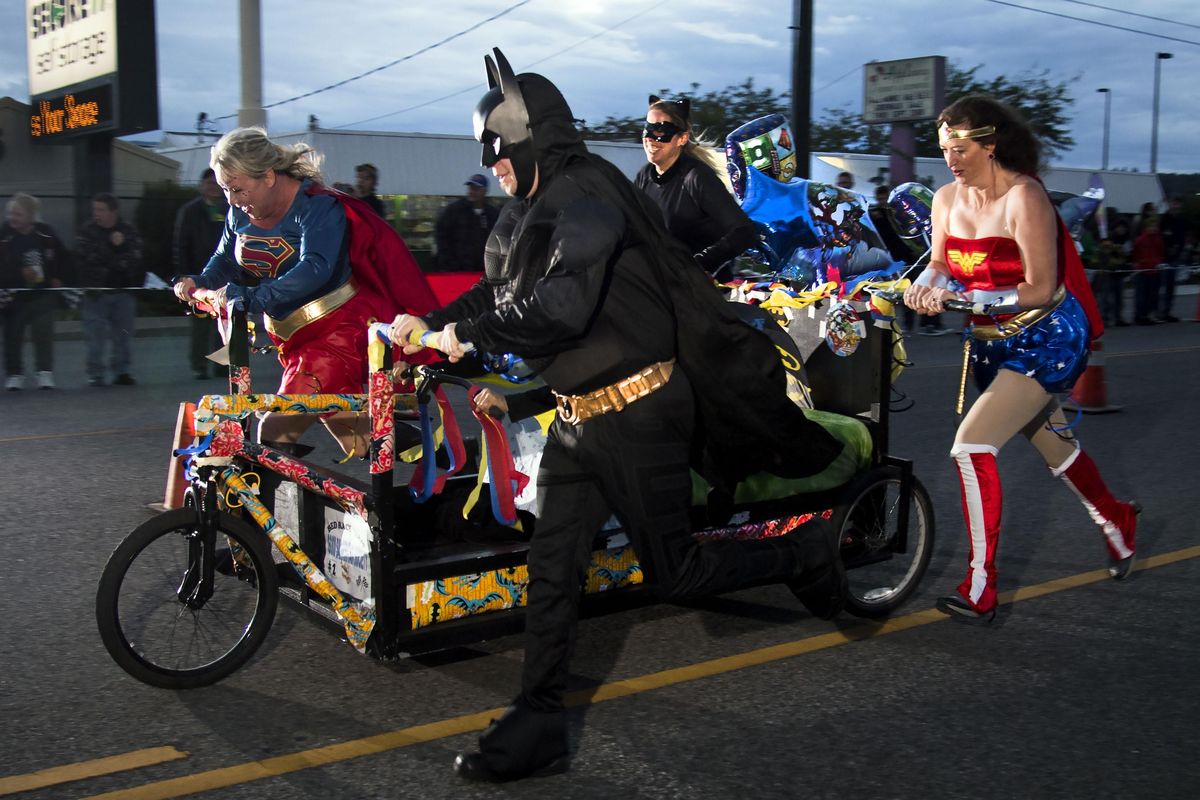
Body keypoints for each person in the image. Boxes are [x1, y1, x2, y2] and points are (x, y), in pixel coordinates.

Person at [390, 48, 846, 782]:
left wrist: (465, 336)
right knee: (552, 570)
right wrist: (429, 322)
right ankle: (538, 723)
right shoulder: (529, 208)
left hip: (640, 411)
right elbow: (498, 293)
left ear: (533, 136)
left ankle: (805, 551)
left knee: (677, 571)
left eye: (499, 147)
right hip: (578, 417)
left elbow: (559, 306)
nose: (491, 162)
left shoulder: (588, 196)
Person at [903, 95, 1137, 623]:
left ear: (990, 143)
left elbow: (1040, 288)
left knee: (971, 447)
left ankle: (980, 585)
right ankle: (1117, 519)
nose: (951, 159)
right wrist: (925, 287)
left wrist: (971, 300)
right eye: (944, 149)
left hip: (1044, 336)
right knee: (1057, 449)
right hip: (989, 341)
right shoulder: (944, 199)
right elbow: (939, 263)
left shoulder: (1025, 196)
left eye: (960, 147)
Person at [171, 128, 437, 457]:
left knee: (272, 431)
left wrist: (253, 297)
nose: (232, 200)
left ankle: (267, 506)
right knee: (359, 438)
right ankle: (448, 458)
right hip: (294, 339)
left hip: (337, 334)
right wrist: (200, 282)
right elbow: (225, 260)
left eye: (237, 188)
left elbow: (316, 268)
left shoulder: (318, 208)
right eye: (225, 189)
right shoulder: (239, 212)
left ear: (268, 176)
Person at [633, 95, 757, 280]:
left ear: (682, 138)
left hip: (704, 291)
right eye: (648, 130)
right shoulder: (645, 176)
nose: (652, 139)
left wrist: (698, 265)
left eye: (661, 132)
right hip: (662, 286)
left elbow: (744, 231)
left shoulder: (696, 177)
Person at [1, 193, 71, 390]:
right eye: (10, 213)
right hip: (14, 297)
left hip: (42, 295)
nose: (12, 218)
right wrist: (20, 273)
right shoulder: (4, 235)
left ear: (31, 215)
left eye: (18, 214)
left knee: (43, 334)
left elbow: (63, 257)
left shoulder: (46, 233)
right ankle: (14, 374)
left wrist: (59, 277)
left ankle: (44, 373)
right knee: (12, 336)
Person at [76, 193, 144, 387]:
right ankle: (95, 373)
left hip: (122, 292)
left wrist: (119, 249)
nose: (96, 214)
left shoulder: (128, 232)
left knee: (123, 335)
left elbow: (133, 260)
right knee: (95, 336)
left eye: (101, 210)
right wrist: (110, 246)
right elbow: (85, 259)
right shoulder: (87, 232)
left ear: (113, 212)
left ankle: (122, 371)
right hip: (96, 293)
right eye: (95, 210)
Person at [172, 169, 229, 380]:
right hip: (196, 277)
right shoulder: (190, 211)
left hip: (224, 278)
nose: (213, 187)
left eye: (217, 183)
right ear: (202, 186)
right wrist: (184, 275)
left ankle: (222, 365)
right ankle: (200, 366)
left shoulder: (230, 208)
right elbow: (181, 244)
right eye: (209, 183)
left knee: (224, 324)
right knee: (201, 324)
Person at [869, 184, 946, 335]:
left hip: (915, 258)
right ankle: (912, 323)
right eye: (880, 198)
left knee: (927, 287)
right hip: (902, 259)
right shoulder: (884, 216)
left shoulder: (894, 215)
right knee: (910, 291)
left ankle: (929, 323)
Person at [433, 174, 500, 272]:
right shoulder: (454, 211)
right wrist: (448, 263)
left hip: (483, 271)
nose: (473, 191)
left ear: (485, 191)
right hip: (457, 270)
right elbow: (441, 236)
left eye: (477, 188)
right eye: (471, 188)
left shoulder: (493, 214)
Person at [1158, 195, 1187, 322]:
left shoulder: (1181, 220)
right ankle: (1158, 312)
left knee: (1171, 286)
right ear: (1170, 204)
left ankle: (1167, 311)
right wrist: (1167, 248)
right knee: (1161, 286)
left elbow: (1182, 238)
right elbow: (1160, 236)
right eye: (1174, 203)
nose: (1176, 206)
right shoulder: (1164, 219)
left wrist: (1179, 249)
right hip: (1163, 258)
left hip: (1175, 257)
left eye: (1178, 203)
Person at [1131, 215, 1164, 326]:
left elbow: (1160, 253)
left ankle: (1148, 314)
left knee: (1152, 295)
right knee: (1142, 295)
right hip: (1143, 270)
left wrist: (1158, 262)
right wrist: (1141, 263)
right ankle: (1140, 315)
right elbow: (1136, 254)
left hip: (1154, 270)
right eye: (1151, 226)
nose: (1153, 228)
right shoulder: (1141, 240)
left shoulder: (1158, 239)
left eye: (1155, 226)